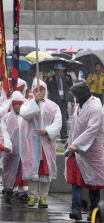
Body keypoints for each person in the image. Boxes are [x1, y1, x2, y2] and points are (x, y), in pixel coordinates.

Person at [19, 79, 61, 208]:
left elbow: (58, 123)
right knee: (32, 170)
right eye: (37, 90)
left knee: (45, 172)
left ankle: (43, 197)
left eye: (41, 90)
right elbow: (25, 115)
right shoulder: (27, 104)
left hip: (46, 143)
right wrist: (35, 102)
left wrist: (47, 130)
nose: (40, 92)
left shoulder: (53, 106)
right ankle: (32, 196)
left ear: (45, 90)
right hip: (32, 143)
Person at [66, 83, 104, 221]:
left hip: (91, 151)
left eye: (76, 95)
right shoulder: (80, 105)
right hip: (77, 150)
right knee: (77, 180)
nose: (75, 98)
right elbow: (76, 125)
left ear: (82, 95)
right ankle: (75, 209)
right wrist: (70, 141)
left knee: (94, 182)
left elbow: (92, 129)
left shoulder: (95, 108)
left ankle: (93, 211)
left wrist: (77, 144)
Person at [0, 91, 30, 203]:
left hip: (24, 150)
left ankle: (23, 192)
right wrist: (8, 145)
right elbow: (4, 133)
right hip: (11, 152)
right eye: (15, 104)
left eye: (19, 103)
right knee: (10, 170)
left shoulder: (26, 117)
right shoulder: (6, 118)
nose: (17, 106)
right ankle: (9, 189)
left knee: (23, 171)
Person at [45, 63, 73, 140]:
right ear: (57, 71)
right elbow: (47, 87)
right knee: (52, 117)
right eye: (61, 70)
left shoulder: (65, 78)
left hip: (63, 100)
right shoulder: (51, 78)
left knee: (63, 117)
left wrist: (69, 79)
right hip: (54, 101)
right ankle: (50, 132)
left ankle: (63, 133)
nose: (62, 72)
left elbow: (71, 85)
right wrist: (49, 81)